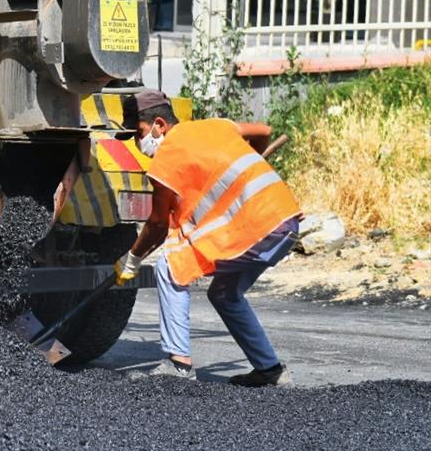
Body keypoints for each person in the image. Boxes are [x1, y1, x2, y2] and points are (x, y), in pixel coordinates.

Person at [112, 90, 302, 386]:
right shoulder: (216, 125)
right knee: (224, 294)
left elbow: (159, 224)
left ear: (160, 125)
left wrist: (132, 258)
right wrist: (254, 155)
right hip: (284, 223)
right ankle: (270, 370)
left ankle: (179, 366)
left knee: (169, 269)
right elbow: (263, 131)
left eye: (139, 133)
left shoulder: (166, 160)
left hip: (253, 229)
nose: (139, 143)